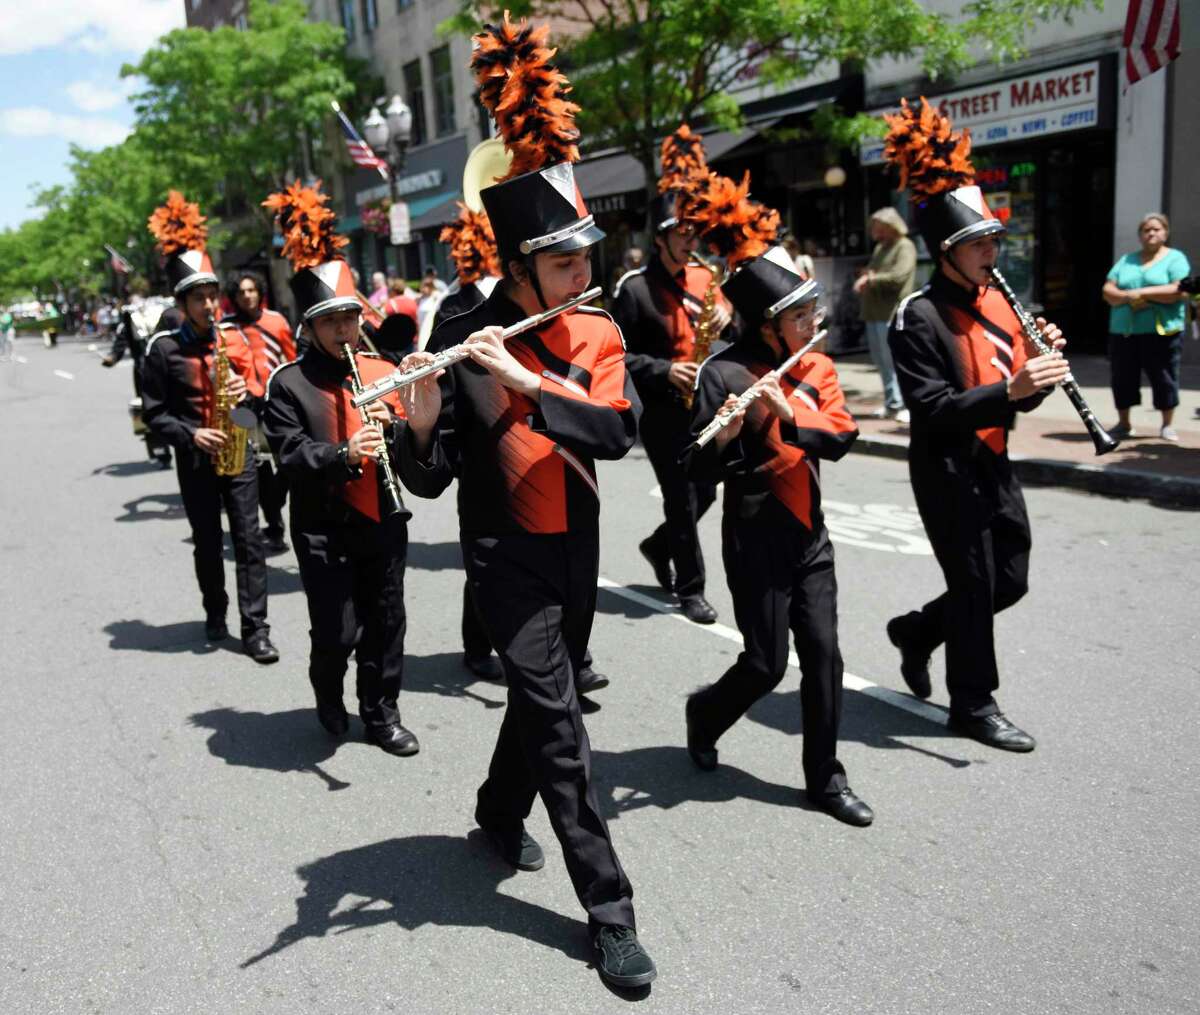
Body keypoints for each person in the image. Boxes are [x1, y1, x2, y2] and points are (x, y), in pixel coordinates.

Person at [398, 15, 656, 989]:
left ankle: (497, 814)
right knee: (562, 728)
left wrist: (535, 382)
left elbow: (617, 434)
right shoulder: (466, 337)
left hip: (574, 546)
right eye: (562, 262)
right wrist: (423, 414)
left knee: (535, 705)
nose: (582, 274)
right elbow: (427, 480)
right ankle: (611, 912)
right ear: (516, 269)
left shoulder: (593, 332)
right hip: (503, 556)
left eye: (586, 257)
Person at [882, 100, 1069, 752]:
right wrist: (1008, 390)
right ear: (947, 253)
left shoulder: (1000, 302)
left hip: (992, 459)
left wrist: (1038, 372)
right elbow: (930, 407)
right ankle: (974, 703)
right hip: (944, 464)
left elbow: (1019, 399)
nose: (993, 252)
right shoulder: (918, 316)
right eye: (979, 244)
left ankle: (916, 631)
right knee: (973, 584)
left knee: (1008, 578)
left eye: (994, 240)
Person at [682, 187, 871, 826]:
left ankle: (826, 778)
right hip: (756, 532)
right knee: (765, 663)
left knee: (824, 654)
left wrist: (794, 415)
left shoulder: (814, 366)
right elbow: (698, 466)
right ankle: (705, 712)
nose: (812, 320)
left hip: (809, 533)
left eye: (812, 307)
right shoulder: (724, 373)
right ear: (767, 325)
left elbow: (841, 437)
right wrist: (730, 434)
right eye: (799, 313)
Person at [263, 182, 424, 757]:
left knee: (386, 622)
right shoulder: (287, 384)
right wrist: (342, 454)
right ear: (308, 327)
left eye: (350, 317)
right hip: (322, 524)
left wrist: (402, 427)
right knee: (337, 632)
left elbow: (414, 452)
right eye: (330, 321)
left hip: (382, 516)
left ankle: (381, 712)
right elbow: (288, 455)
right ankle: (327, 691)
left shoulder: (382, 368)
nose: (343, 331)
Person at [140, 191, 278, 663]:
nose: (208, 304)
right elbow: (154, 415)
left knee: (249, 539)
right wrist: (191, 433)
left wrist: (246, 396)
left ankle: (255, 627)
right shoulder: (162, 350)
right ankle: (215, 611)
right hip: (196, 455)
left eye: (212, 295)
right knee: (206, 542)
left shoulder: (235, 338)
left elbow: (261, 398)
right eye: (198, 297)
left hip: (238, 449)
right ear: (182, 303)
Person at [612, 124, 727, 624]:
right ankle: (691, 588)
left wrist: (728, 320)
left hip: (706, 402)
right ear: (660, 238)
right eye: (681, 232)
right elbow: (617, 355)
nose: (689, 239)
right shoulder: (634, 289)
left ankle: (659, 547)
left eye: (693, 232)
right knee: (681, 498)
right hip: (662, 409)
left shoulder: (707, 276)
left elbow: (733, 329)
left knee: (707, 490)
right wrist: (664, 369)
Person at [223, 270, 297, 553]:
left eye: (251, 290)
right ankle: (275, 528)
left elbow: (291, 360)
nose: (247, 295)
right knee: (261, 467)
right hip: (245, 406)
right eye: (241, 292)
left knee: (288, 462)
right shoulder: (225, 329)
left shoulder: (276, 321)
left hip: (277, 401)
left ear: (260, 292)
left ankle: (275, 503)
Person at [1102, 213, 1191, 442]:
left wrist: (1139, 293)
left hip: (1161, 332)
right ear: (1140, 235)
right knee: (1123, 377)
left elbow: (1178, 291)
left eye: (1156, 229)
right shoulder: (1127, 260)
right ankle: (1124, 423)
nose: (1151, 233)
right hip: (1124, 331)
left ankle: (1166, 424)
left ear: (1165, 233)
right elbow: (1108, 291)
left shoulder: (1175, 258)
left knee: (1164, 377)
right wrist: (1129, 297)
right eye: (1146, 230)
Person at [854, 207, 917, 422]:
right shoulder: (881, 248)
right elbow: (872, 271)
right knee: (881, 361)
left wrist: (870, 279)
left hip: (891, 312)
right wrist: (867, 277)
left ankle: (904, 404)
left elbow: (899, 276)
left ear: (891, 227)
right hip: (874, 312)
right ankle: (892, 403)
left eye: (880, 229)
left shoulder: (904, 246)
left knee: (895, 360)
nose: (876, 233)